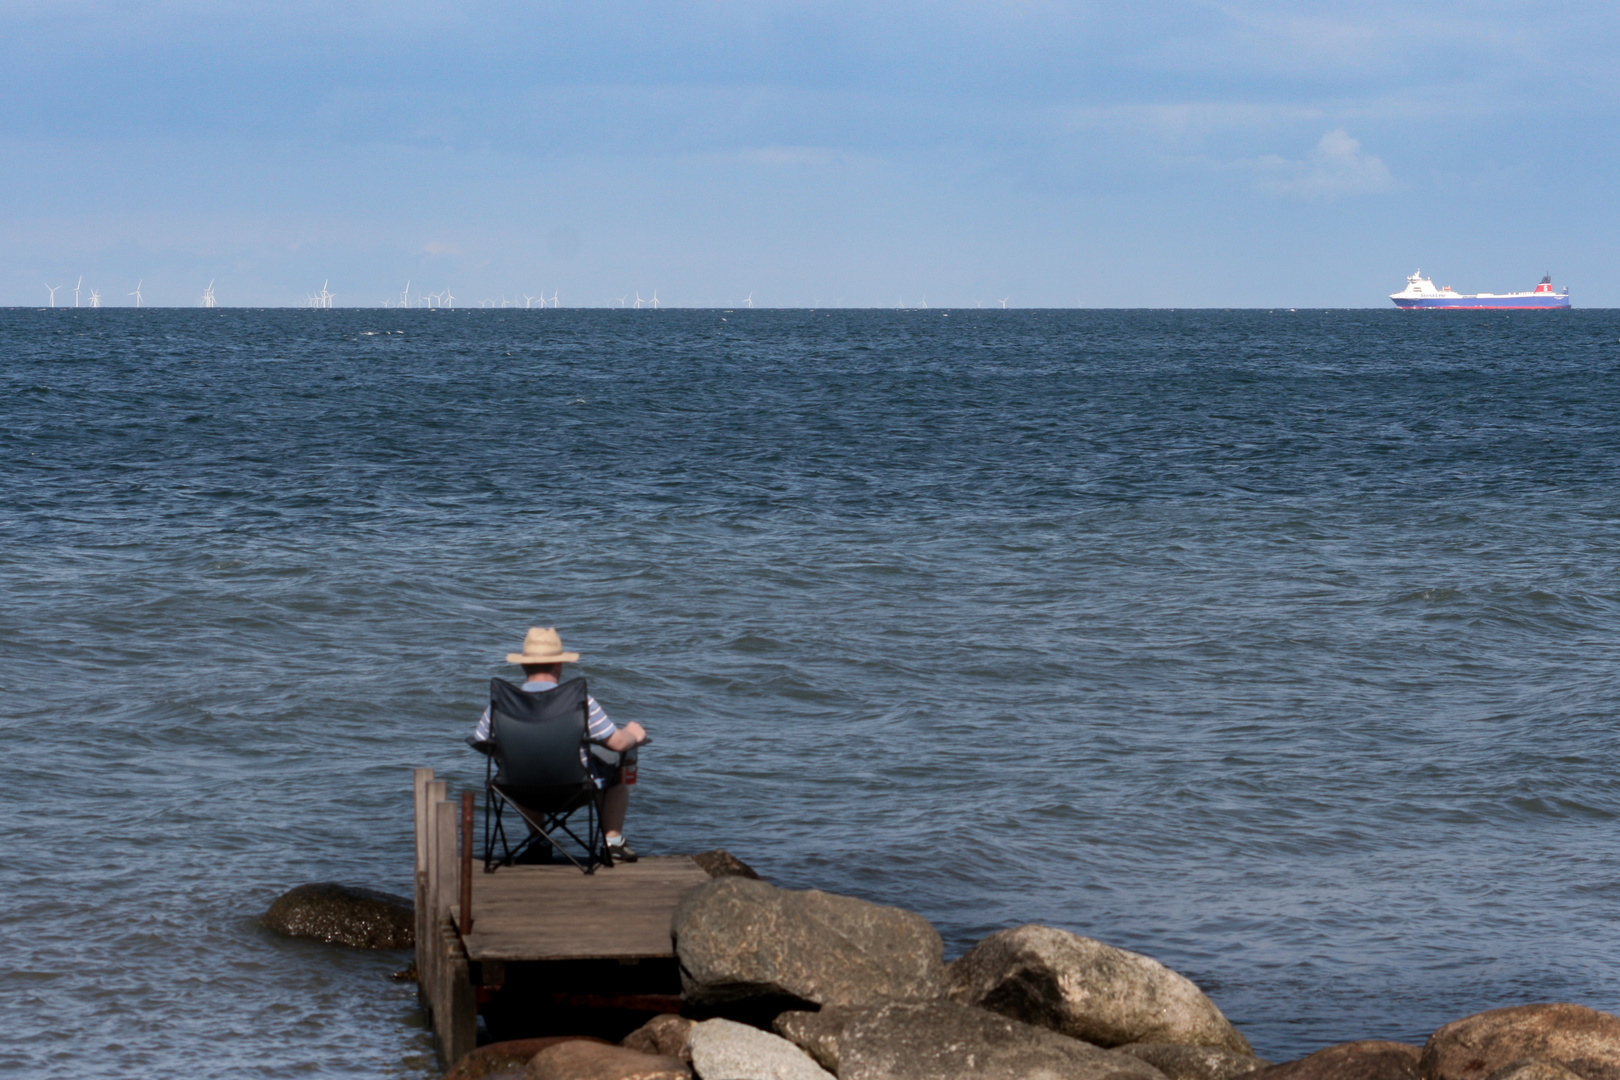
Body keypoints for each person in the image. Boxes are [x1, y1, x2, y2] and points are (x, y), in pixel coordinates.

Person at [472, 627, 647, 864]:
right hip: (575, 788)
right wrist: (632, 734)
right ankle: (612, 841)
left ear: (523, 665)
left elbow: (482, 741)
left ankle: (539, 840)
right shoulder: (580, 701)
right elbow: (616, 743)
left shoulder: (501, 704)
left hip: (521, 790)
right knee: (619, 762)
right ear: (559, 665)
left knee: (519, 763)